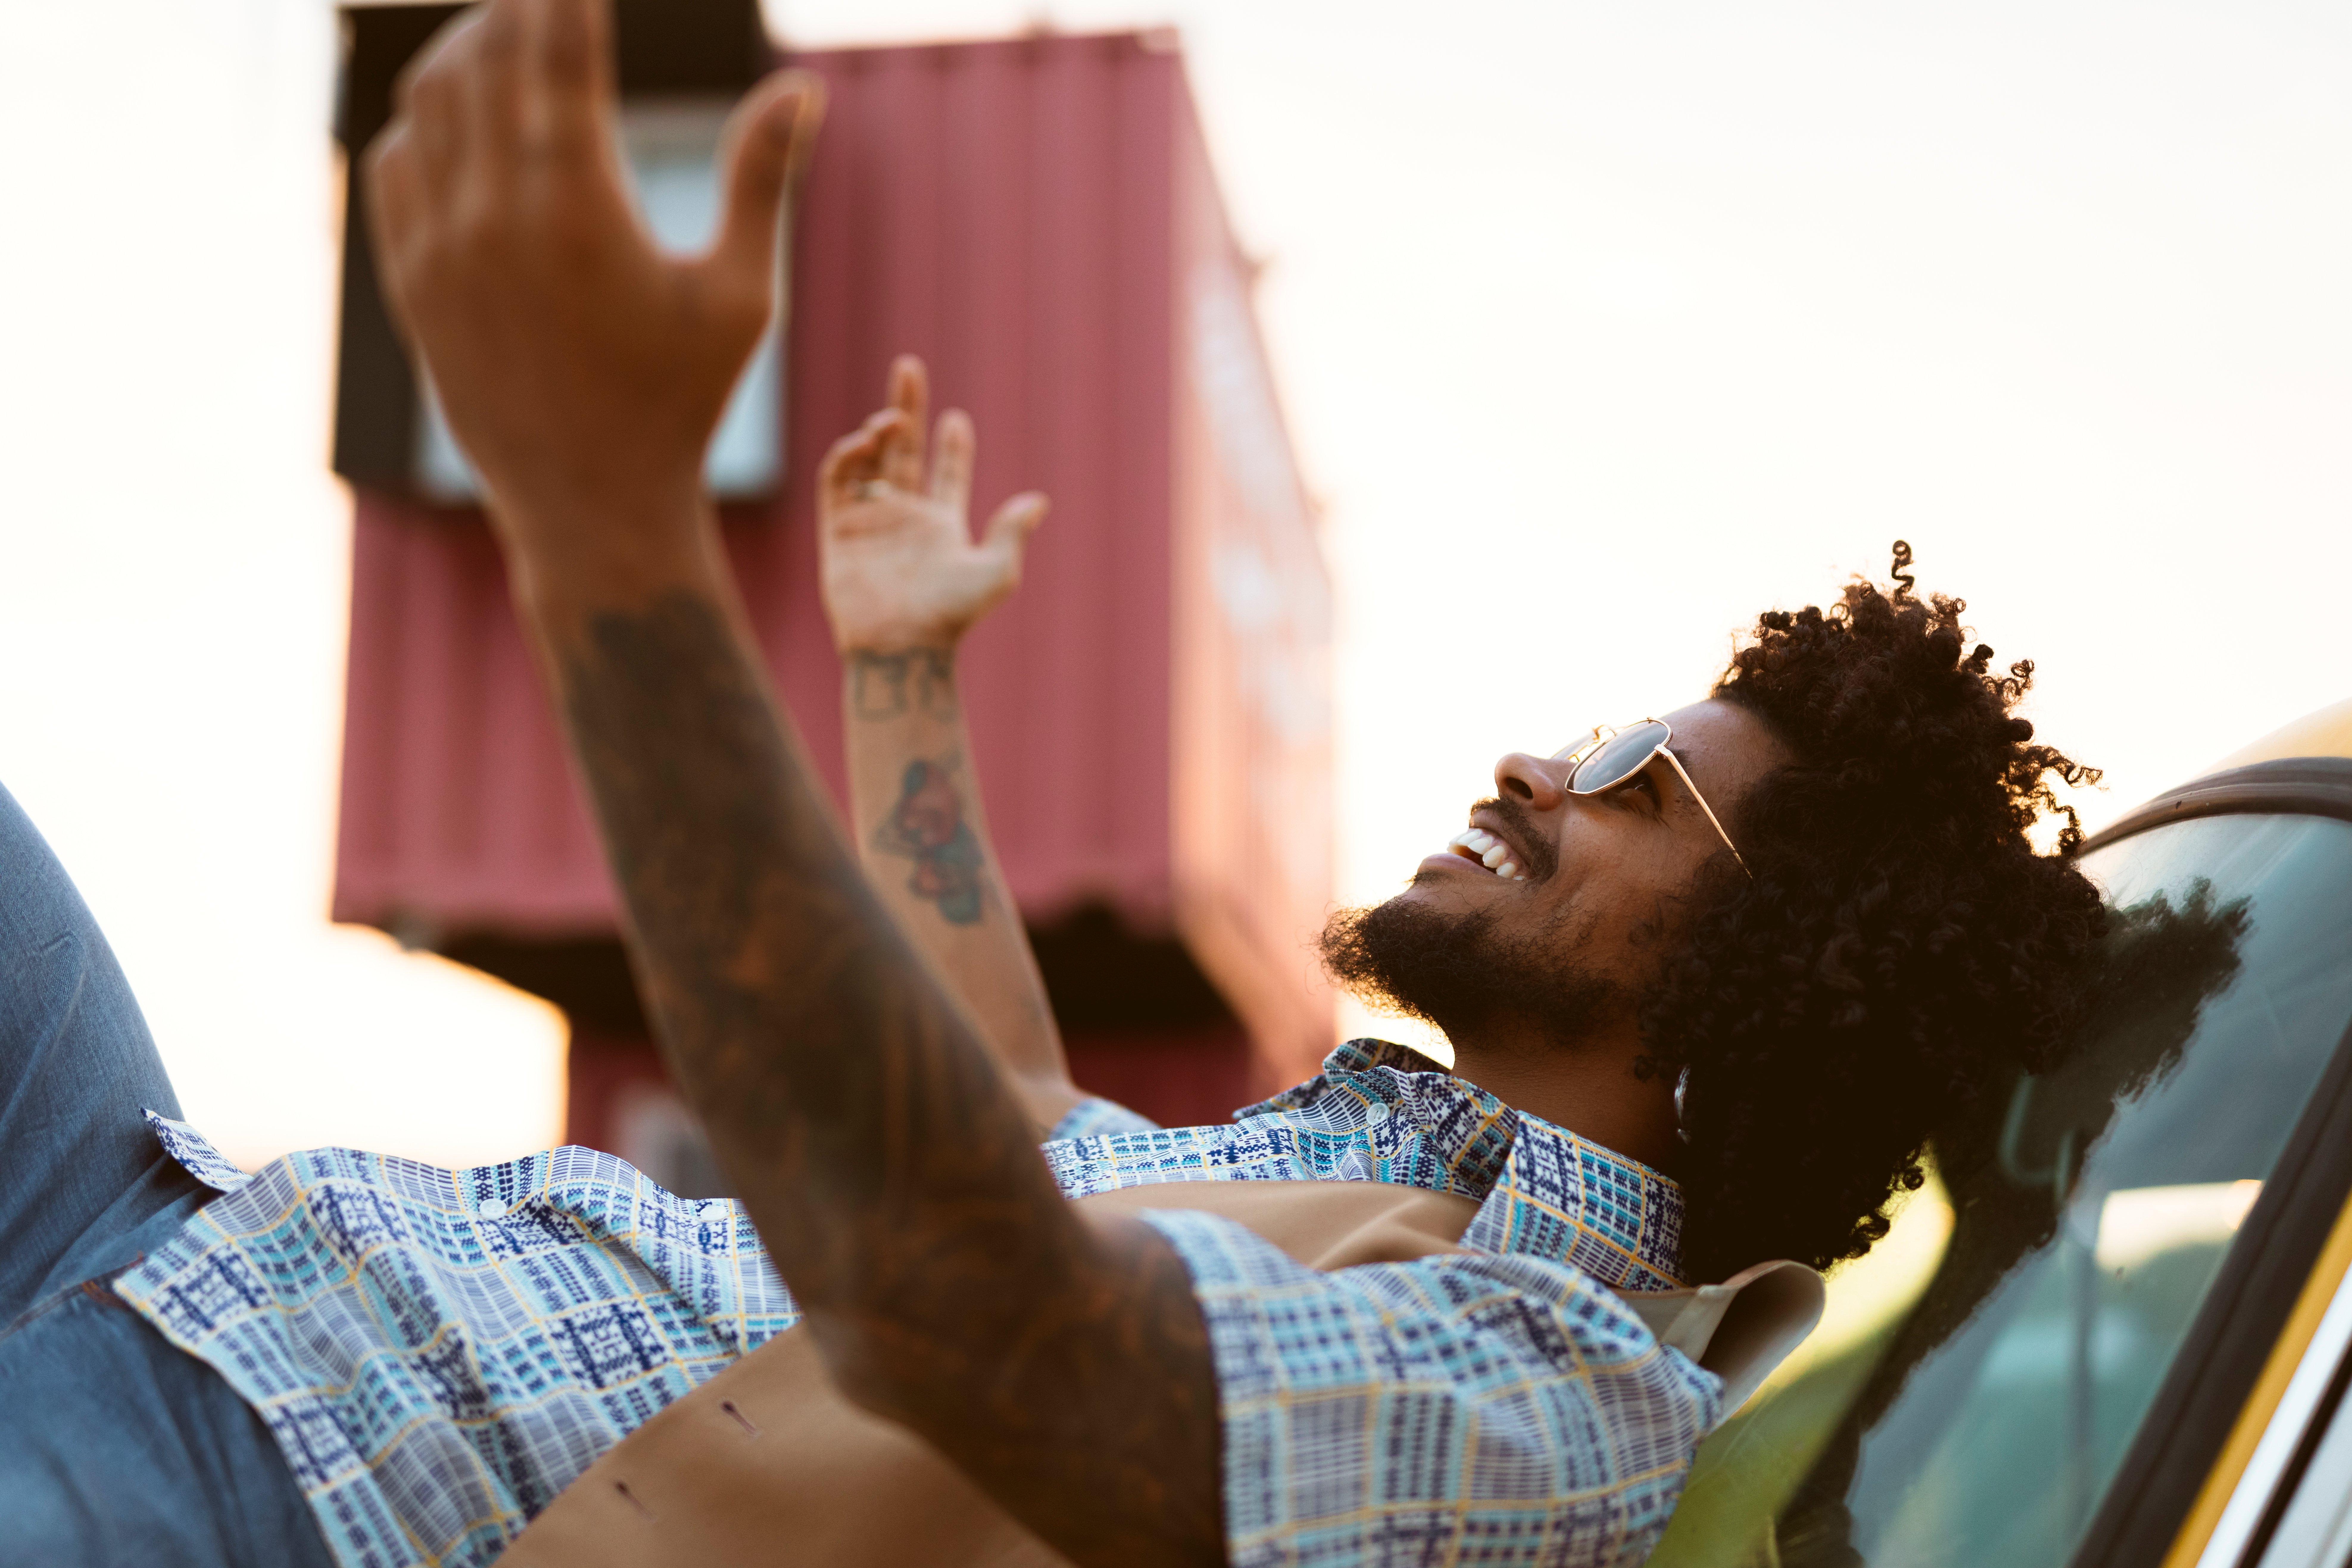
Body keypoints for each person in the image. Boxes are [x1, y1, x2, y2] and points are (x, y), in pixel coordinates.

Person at [0, 2, 2111, 1564]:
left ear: (1763, 979)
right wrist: (905, 671)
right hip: (181, 1227)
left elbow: (977, 1318)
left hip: (252, 1483)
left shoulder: (1554, 1398)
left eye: (1640, 779)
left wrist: (604, 521)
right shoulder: (1389, 1181)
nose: (1541, 760)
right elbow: (1007, 1122)